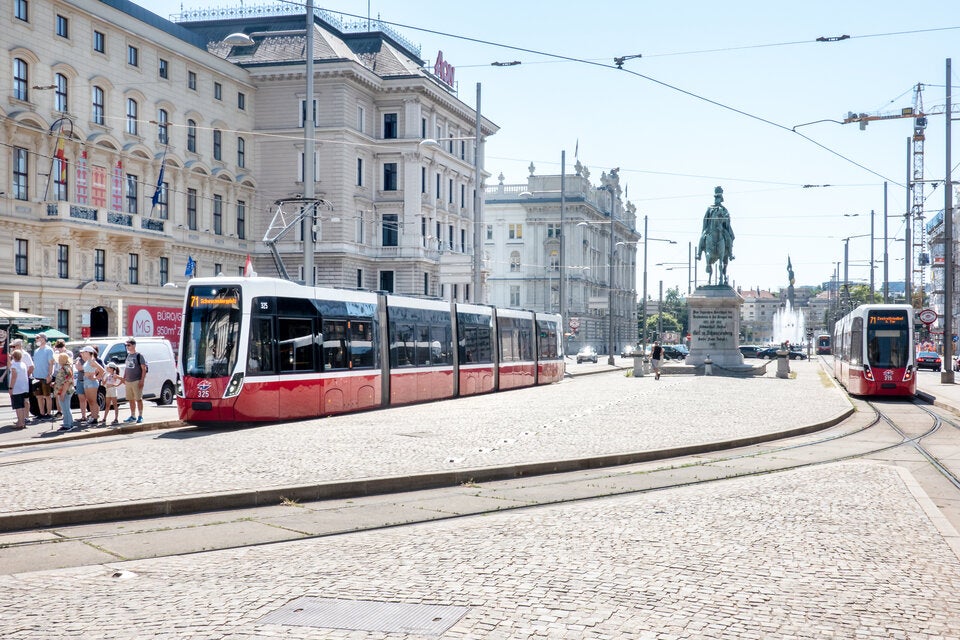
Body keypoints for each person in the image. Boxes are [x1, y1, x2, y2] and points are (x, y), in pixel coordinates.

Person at [123, 338, 148, 424]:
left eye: (129, 345)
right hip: (128, 381)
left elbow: (143, 369)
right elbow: (127, 368)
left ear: (133, 345)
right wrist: (124, 377)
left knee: (138, 399)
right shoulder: (128, 355)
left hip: (136, 380)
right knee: (130, 399)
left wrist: (142, 381)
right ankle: (132, 415)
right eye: (126, 345)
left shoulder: (139, 356)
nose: (127, 347)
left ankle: (140, 416)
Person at [31, 333, 55, 421]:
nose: (36, 340)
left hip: (45, 376)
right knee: (39, 396)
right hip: (37, 376)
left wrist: (49, 374)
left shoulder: (49, 350)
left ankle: (48, 413)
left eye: (38, 338)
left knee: (47, 396)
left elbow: (51, 363)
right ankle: (41, 413)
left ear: (43, 339)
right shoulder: (36, 351)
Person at [79, 346, 104, 425]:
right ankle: (93, 416)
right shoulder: (88, 361)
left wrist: (95, 378)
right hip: (87, 381)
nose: (83, 353)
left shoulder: (92, 361)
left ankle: (95, 417)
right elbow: (96, 370)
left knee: (93, 401)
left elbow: (102, 370)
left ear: (88, 352)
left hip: (91, 382)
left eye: (85, 352)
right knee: (90, 400)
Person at [52, 351, 76, 431]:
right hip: (66, 390)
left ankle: (67, 425)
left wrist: (62, 393)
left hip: (65, 391)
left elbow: (67, 381)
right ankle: (70, 423)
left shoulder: (65, 368)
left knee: (65, 408)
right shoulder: (67, 367)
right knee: (66, 408)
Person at [8, 349, 30, 429]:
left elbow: (14, 377)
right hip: (24, 388)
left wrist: (11, 388)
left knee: (18, 406)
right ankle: (23, 422)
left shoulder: (14, 366)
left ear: (14, 357)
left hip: (17, 389)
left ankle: (20, 423)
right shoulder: (23, 364)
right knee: (23, 405)